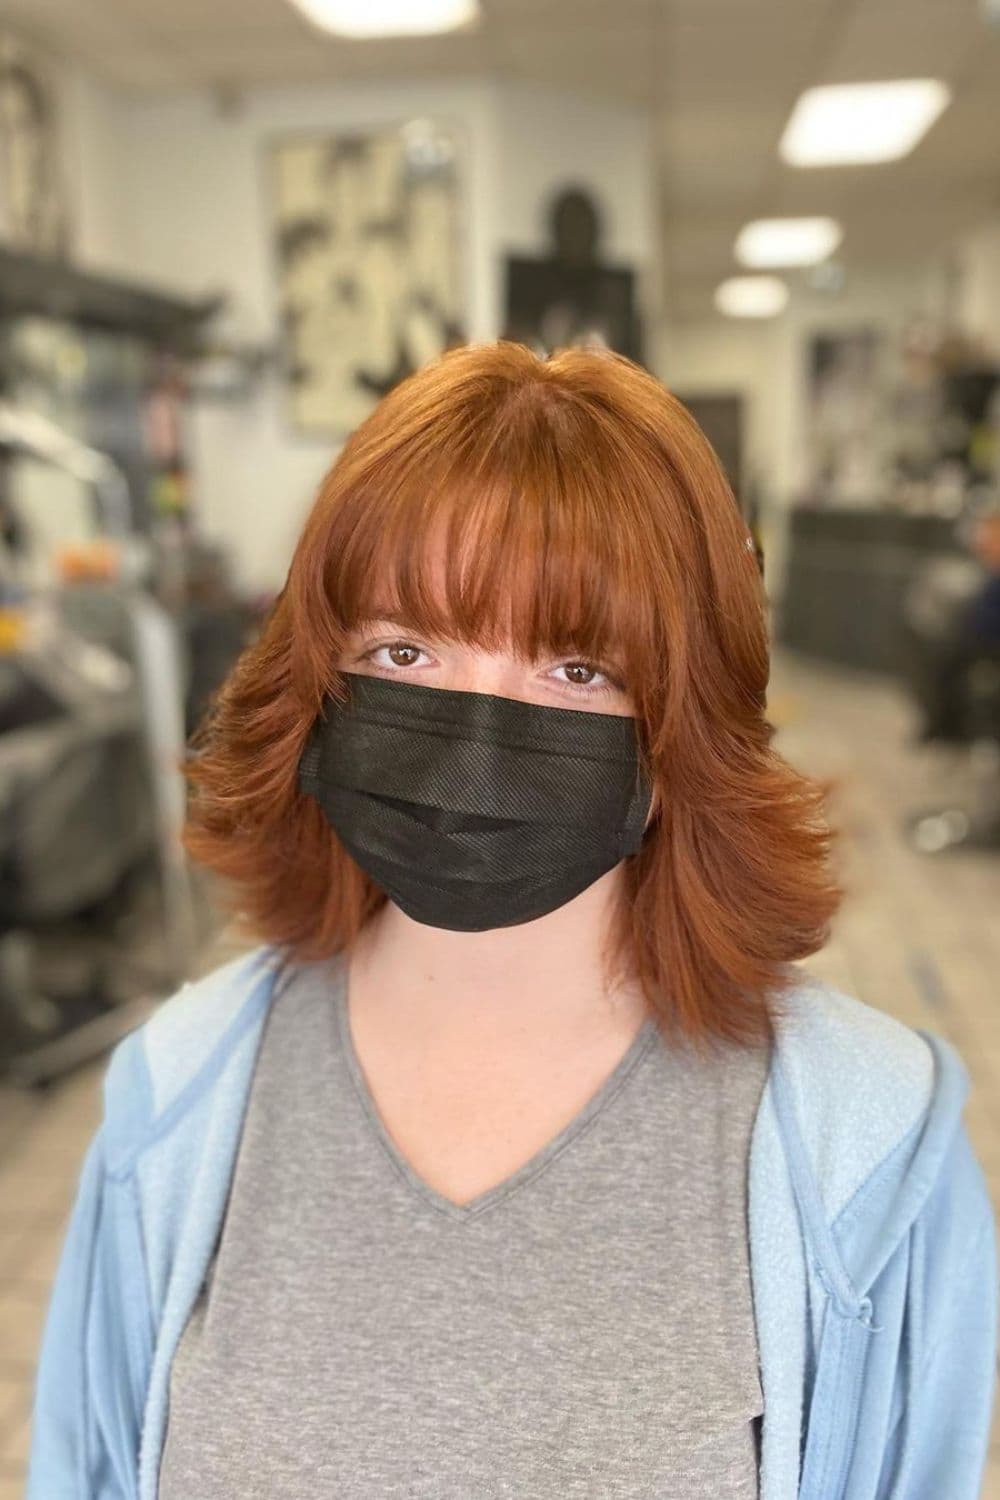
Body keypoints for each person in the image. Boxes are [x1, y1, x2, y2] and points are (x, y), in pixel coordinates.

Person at [26, 342, 998, 1499]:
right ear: (315, 683)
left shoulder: (869, 1148)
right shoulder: (173, 1107)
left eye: (577, 669)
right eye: (404, 649)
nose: (475, 741)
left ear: (681, 721)